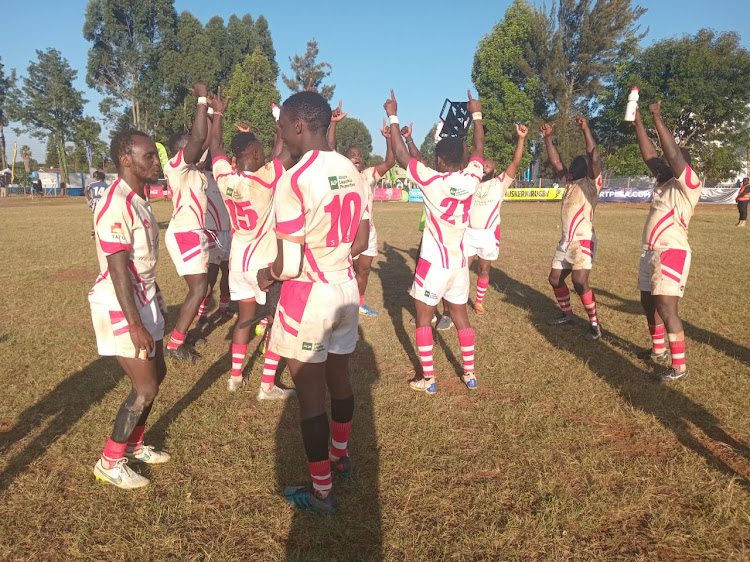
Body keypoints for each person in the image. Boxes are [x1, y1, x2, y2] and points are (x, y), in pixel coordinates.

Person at [256, 90, 370, 514]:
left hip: (309, 293)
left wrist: (264, 275)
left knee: (309, 398)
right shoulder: (351, 168)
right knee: (340, 378)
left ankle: (321, 492)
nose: (279, 131)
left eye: (282, 124)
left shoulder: (295, 179)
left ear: (299, 125)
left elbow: (288, 263)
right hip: (345, 288)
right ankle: (340, 456)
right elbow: (360, 240)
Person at [386, 89, 484, 394]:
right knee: (461, 317)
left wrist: (392, 114)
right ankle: (469, 373)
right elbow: (478, 151)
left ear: (440, 160)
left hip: (433, 264)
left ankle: (428, 379)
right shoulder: (471, 179)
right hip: (459, 261)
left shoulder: (432, 181)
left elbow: (402, 156)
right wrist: (476, 113)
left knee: (423, 318)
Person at [89, 129, 169, 489]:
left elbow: (142, 262)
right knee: (145, 388)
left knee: (158, 374)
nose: (156, 161)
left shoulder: (140, 198)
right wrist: (135, 323)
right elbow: (119, 270)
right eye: (149, 156)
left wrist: (155, 297)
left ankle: (134, 445)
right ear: (126, 160)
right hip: (121, 304)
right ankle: (109, 461)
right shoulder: (115, 203)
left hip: (146, 297)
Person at [207, 88, 295, 400]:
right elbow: (286, 151)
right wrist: (284, 117)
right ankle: (267, 386)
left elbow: (215, 145)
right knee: (277, 321)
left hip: (238, 262)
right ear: (256, 155)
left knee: (245, 319)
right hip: (264, 263)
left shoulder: (225, 179)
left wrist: (217, 113)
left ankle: (234, 378)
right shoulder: (265, 178)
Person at [631, 102, 703, 381]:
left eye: (666, 162)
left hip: (671, 251)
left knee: (666, 307)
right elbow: (650, 154)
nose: (658, 164)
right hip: (650, 251)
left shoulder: (689, 184)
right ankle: (658, 350)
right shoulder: (663, 181)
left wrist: (657, 117)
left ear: (679, 166)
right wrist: (638, 122)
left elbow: (671, 153)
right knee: (647, 303)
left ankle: (679, 367)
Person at [328, 101, 396, 316]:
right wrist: (333, 123)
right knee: (342, 271)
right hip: (343, 232)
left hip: (369, 232)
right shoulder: (340, 173)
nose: (356, 157)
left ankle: (358, 305)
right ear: (344, 159)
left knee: (363, 270)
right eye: (352, 155)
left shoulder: (368, 175)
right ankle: (338, 306)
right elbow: (329, 149)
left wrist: (389, 140)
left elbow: (391, 161)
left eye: (359, 155)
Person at [541, 117, 603, 341]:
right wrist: (547, 138)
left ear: (586, 168)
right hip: (566, 241)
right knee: (555, 279)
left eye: (578, 163)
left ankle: (595, 325)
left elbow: (593, 156)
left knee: (579, 281)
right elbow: (556, 161)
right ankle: (568, 314)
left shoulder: (590, 184)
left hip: (583, 240)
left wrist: (586, 129)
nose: (572, 166)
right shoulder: (569, 182)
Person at [162, 82, 210, 362]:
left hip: (192, 231)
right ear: (179, 149)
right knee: (199, 289)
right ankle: (175, 344)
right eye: (188, 142)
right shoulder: (176, 165)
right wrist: (201, 100)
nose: (194, 144)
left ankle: (182, 334)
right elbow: (199, 136)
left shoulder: (193, 169)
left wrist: (215, 112)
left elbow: (207, 138)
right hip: (186, 233)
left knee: (201, 288)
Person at [465, 124, 528, 314]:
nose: (484, 168)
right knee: (462, 269)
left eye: (488, 166)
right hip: (468, 233)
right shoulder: (471, 183)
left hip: (488, 235)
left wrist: (521, 138)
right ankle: (458, 298)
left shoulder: (500, 183)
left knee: (483, 269)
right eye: (483, 165)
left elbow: (515, 163)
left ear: (495, 169)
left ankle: (478, 302)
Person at [196, 110, 233, 329]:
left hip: (228, 232)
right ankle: (202, 313)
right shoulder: (201, 177)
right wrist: (210, 115)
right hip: (210, 232)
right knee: (209, 278)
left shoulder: (225, 176)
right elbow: (207, 142)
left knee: (228, 273)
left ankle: (225, 307)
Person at [85, 170, 110, 238]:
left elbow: (85, 190)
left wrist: (89, 198)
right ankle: (102, 230)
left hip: (95, 201)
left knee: (95, 216)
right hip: (102, 201)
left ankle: (93, 232)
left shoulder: (92, 184)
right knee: (104, 216)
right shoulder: (105, 185)